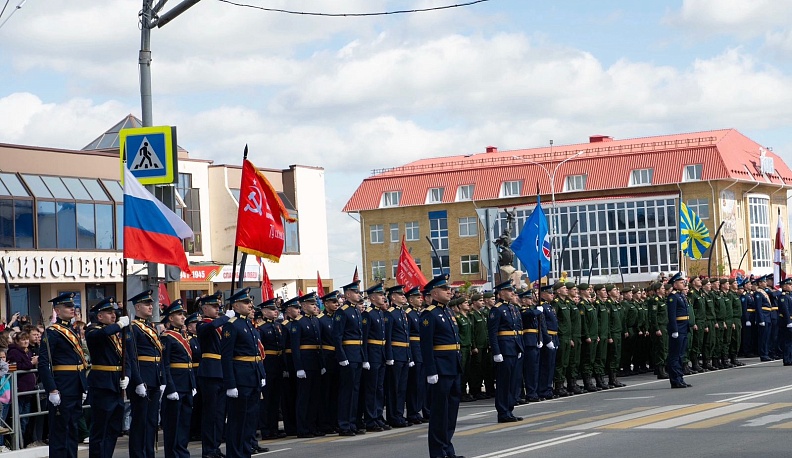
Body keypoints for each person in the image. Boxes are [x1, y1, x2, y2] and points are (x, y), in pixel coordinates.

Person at [38, 292, 89, 458]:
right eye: (67, 306)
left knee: (72, 429)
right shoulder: (52, 332)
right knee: (60, 431)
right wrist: (52, 389)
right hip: (62, 386)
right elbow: (44, 363)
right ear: (57, 311)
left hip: (74, 386)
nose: (72, 308)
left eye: (72, 306)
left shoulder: (71, 330)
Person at [419, 274, 464, 458]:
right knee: (439, 414)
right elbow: (426, 345)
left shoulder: (447, 312)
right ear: (435, 293)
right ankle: (438, 453)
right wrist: (431, 370)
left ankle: (448, 450)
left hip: (453, 367)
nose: (449, 291)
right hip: (440, 369)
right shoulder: (429, 314)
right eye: (446, 289)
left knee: (451, 414)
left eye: (449, 289)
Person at [221, 287, 267, 458]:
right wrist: (230, 384)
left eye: (250, 302)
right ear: (236, 305)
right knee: (238, 420)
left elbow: (256, 353)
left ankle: (245, 451)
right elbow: (226, 356)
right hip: (240, 380)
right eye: (246, 302)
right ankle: (236, 453)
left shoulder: (249, 324)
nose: (250, 305)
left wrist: (261, 375)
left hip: (253, 376)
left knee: (250, 420)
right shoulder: (231, 325)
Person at [84, 297, 130, 458]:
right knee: (100, 429)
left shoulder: (115, 334)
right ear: (99, 316)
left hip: (117, 383)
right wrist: (119, 325)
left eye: (114, 313)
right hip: (102, 385)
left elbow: (126, 358)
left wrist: (127, 376)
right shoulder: (92, 331)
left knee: (113, 429)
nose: (113, 316)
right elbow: (102, 334)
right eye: (109, 313)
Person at [126, 290, 165, 458]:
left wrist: (161, 378)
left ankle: (148, 453)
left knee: (151, 422)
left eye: (151, 303)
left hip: (154, 379)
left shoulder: (150, 327)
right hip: (142, 380)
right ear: (137, 307)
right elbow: (131, 357)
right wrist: (138, 380)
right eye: (147, 304)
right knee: (140, 422)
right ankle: (138, 454)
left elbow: (159, 354)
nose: (151, 306)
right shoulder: (133, 328)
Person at [195, 291, 233, 458]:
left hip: (222, 371)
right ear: (204, 308)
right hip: (210, 372)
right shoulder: (202, 324)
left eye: (219, 306)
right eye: (214, 306)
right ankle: (208, 450)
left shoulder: (222, 324)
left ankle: (216, 447)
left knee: (219, 415)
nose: (218, 309)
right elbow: (210, 328)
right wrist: (226, 318)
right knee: (210, 414)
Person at [160, 300, 196, 458]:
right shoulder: (167, 337)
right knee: (173, 425)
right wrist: (170, 387)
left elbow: (188, 364)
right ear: (170, 318)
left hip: (186, 384)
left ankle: (182, 452)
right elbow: (165, 365)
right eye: (179, 314)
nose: (183, 317)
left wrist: (192, 384)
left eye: (183, 314)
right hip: (175, 386)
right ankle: (173, 454)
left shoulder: (182, 336)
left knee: (184, 423)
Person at [333, 281, 367, 436]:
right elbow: (337, 336)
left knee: (355, 391)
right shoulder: (343, 312)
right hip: (348, 355)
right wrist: (342, 356)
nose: (359, 294)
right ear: (347, 294)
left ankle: (352, 423)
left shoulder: (355, 311)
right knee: (347, 391)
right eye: (355, 292)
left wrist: (363, 357)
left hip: (357, 354)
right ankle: (344, 424)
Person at [488, 280, 523, 422]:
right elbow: (492, 332)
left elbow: (517, 329)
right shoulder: (497, 309)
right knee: (504, 382)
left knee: (514, 381)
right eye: (509, 290)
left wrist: (519, 347)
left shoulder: (513, 308)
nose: (512, 293)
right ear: (501, 293)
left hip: (514, 348)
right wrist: (496, 352)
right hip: (504, 350)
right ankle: (502, 412)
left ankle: (509, 409)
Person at [290, 292, 325, 438]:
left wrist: (322, 364)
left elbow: (320, 345)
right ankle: (302, 428)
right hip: (305, 364)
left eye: (315, 304)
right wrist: (299, 368)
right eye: (312, 304)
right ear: (303, 306)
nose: (315, 306)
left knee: (314, 397)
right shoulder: (298, 323)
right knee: (304, 398)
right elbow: (295, 347)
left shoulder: (316, 321)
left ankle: (312, 426)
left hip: (315, 363)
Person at [361, 284, 390, 432]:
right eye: (380, 295)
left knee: (379, 388)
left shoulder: (379, 313)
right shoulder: (368, 314)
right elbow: (364, 339)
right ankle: (371, 419)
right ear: (372, 298)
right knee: (371, 388)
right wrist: (365, 358)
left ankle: (378, 416)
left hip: (380, 354)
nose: (383, 297)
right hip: (372, 354)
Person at [258, 298, 287, 439]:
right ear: (264, 312)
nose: (275, 311)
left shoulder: (278, 326)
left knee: (276, 399)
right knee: (267, 399)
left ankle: (274, 428)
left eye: (275, 309)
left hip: (277, 363)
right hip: (267, 364)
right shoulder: (261, 328)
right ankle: (266, 429)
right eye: (271, 309)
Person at [384, 285, 412, 426]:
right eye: (400, 295)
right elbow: (388, 338)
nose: (403, 297)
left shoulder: (402, 313)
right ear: (393, 297)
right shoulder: (390, 313)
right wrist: (389, 356)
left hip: (404, 354)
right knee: (393, 388)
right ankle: (393, 416)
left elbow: (407, 337)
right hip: (395, 354)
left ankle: (399, 415)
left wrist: (410, 356)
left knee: (402, 388)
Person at [7, 331, 38, 447]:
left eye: (26, 339)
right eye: (22, 340)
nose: (25, 342)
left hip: (28, 389)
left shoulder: (27, 351)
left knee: (26, 417)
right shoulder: (14, 352)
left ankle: (23, 442)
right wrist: (32, 363)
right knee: (19, 417)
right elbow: (17, 366)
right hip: (20, 389)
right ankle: (16, 443)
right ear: (17, 341)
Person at [404, 286, 426, 425]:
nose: (420, 299)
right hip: (414, 349)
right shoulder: (408, 313)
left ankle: (418, 411)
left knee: (420, 384)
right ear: (410, 299)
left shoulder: (418, 313)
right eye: (418, 297)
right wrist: (410, 355)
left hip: (421, 349)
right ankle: (412, 412)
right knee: (414, 384)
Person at [666, 272, 692, 388]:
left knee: (681, 355)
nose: (683, 284)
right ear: (675, 285)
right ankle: (675, 379)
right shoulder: (673, 297)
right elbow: (672, 315)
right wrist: (674, 330)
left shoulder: (681, 296)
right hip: (678, 328)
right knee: (675, 355)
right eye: (681, 282)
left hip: (683, 327)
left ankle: (680, 378)